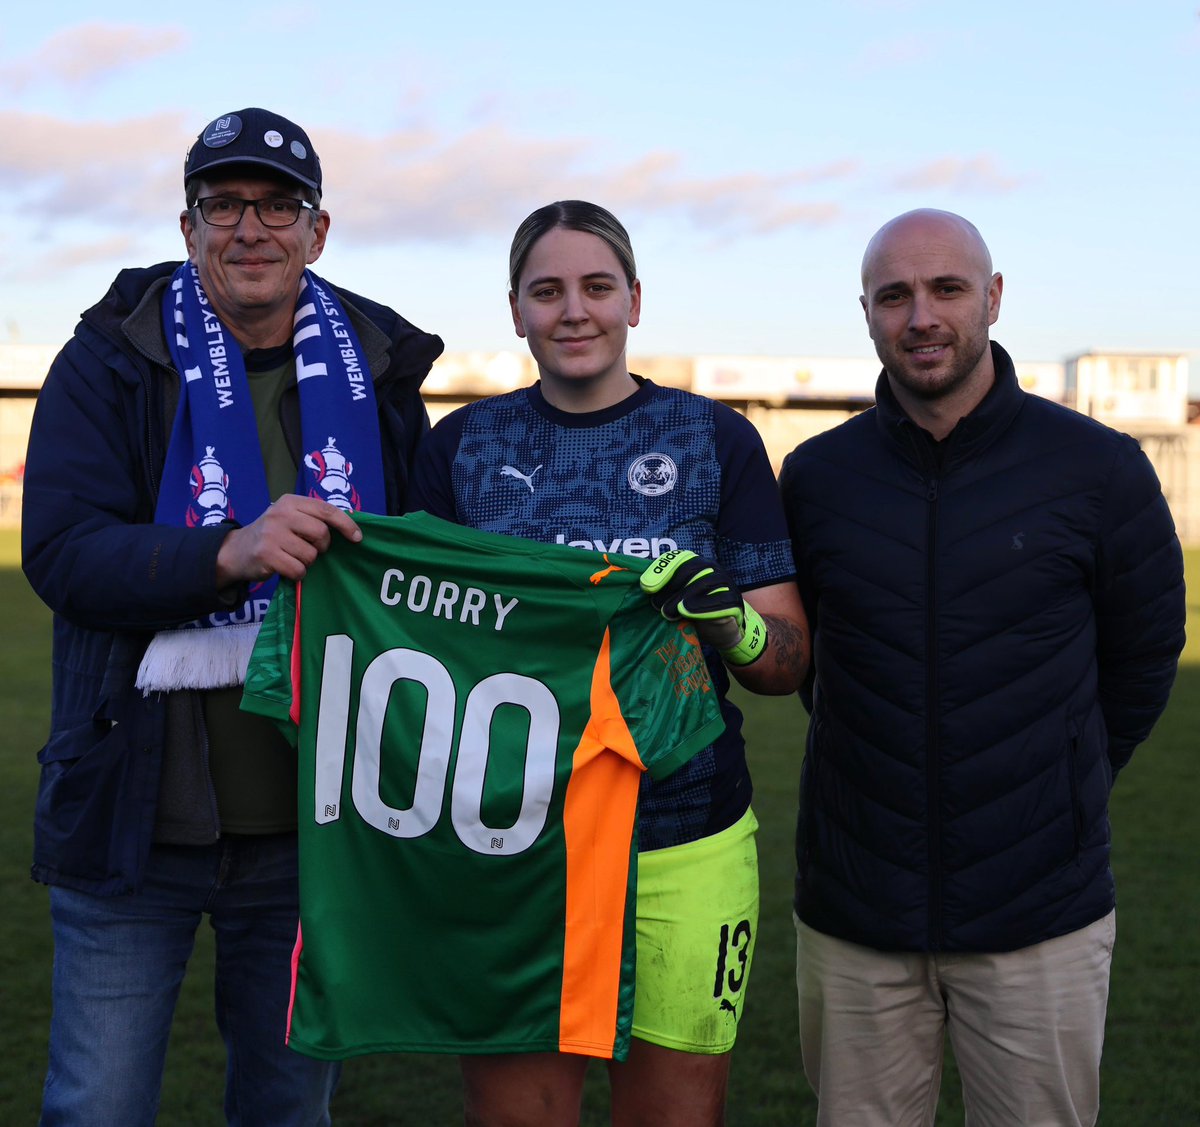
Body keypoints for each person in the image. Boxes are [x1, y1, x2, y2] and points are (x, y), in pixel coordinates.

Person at [21, 106, 443, 1126]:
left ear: (318, 230)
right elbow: (62, 551)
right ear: (188, 226)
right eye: (224, 205)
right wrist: (227, 549)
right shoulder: (109, 358)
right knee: (96, 1106)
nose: (250, 228)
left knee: (290, 1111)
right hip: (135, 815)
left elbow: (419, 566)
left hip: (314, 828)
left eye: (276, 205)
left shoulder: (378, 369)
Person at [778, 208, 1186, 1127]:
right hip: (856, 913)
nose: (921, 315)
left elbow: (1145, 650)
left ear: (994, 299)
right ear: (868, 313)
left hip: (1040, 912)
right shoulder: (816, 477)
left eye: (946, 289)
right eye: (895, 295)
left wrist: (1061, 779)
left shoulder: (1098, 469)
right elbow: (815, 664)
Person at [408, 199, 809, 1127]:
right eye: (547, 291)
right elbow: (418, 639)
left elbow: (784, 660)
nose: (574, 310)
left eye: (596, 287)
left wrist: (728, 624)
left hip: (683, 835)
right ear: (516, 310)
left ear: (635, 298)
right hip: (514, 839)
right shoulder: (463, 446)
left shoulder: (715, 439)